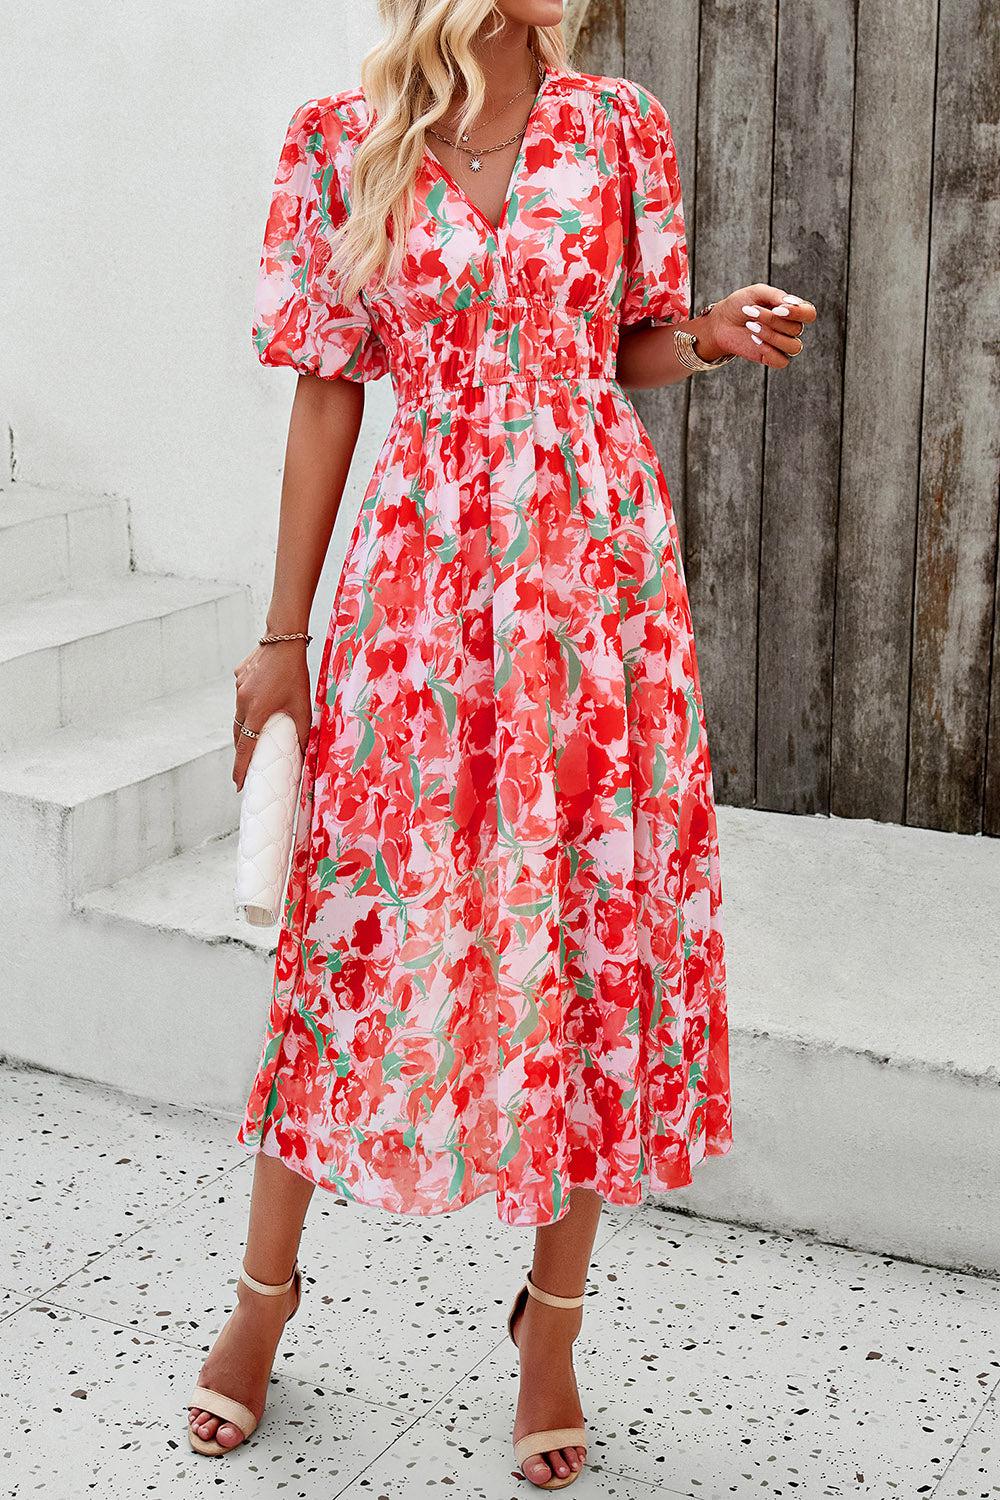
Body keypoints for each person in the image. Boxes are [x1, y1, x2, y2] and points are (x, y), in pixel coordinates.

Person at [187, 0, 816, 1488]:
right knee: (351, 939)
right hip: (417, 584)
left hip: (593, 585)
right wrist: (284, 642)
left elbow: (629, 347)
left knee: (586, 934)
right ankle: (261, 1304)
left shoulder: (619, 127)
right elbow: (329, 387)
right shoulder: (346, 141)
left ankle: (554, 1326)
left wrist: (709, 339)